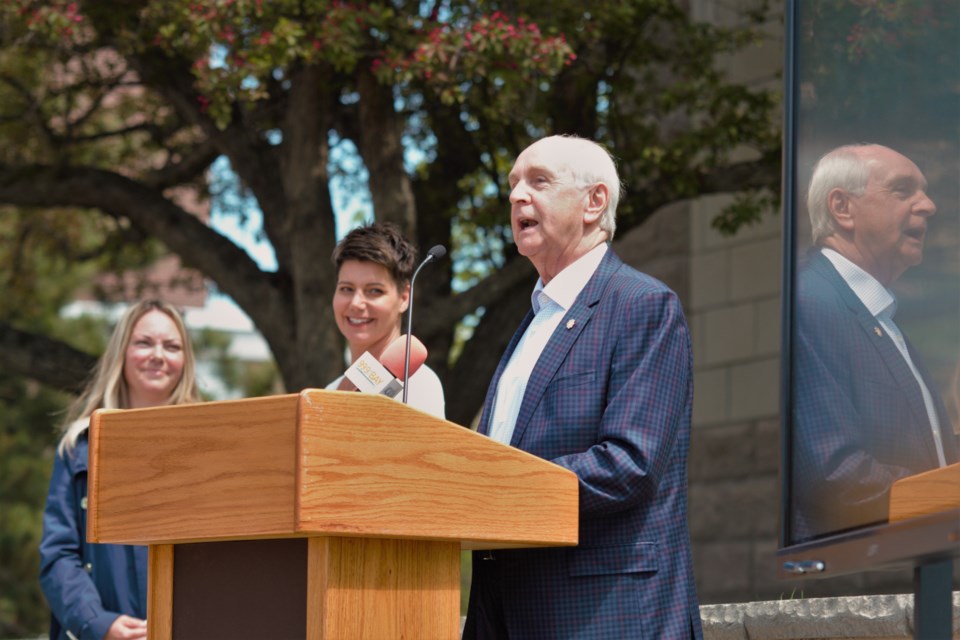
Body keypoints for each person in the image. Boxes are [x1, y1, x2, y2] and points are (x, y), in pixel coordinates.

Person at [463, 135, 703, 639]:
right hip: (503, 608)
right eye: (513, 185)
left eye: (539, 182)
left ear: (595, 202)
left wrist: (490, 490)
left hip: (599, 613)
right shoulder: (530, 324)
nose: (515, 197)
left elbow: (629, 464)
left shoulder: (642, 306)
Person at [792, 143, 959, 541]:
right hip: (854, 584)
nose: (929, 206)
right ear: (842, 208)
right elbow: (836, 476)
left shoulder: (876, 314)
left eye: (925, 190)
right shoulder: (809, 302)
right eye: (903, 190)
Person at [39, 300, 202, 640]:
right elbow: (58, 556)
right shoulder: (78, 447)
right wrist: (99, 623)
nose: (158, 354)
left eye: (172, 346)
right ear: (122, 352)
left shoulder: (207, 447)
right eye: (144, 342)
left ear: (185, 361)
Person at [326, 222, 446, 419]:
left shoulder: (418, 384)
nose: (356, 303)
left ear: (404, 297)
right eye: (346, 288)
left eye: (374, 291)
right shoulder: (330, 389)